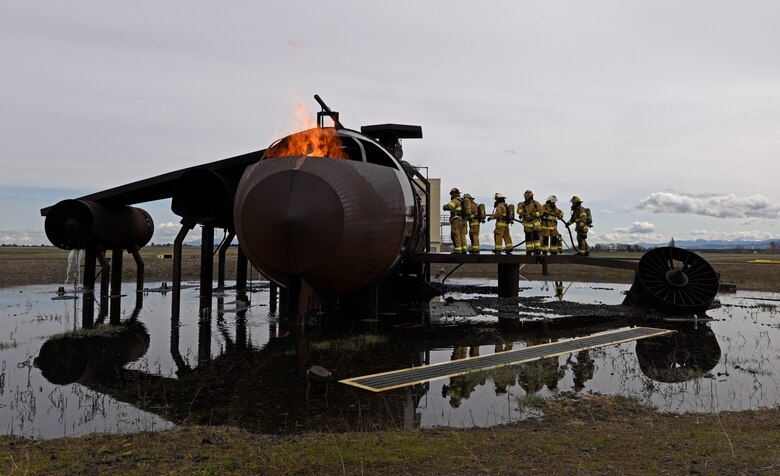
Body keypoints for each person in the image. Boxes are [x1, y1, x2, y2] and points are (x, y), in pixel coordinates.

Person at [517, 189, 543, 255]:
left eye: (528, 196)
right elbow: (518, 210)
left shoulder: (536, 203)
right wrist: (522, 212)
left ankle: (537, 249)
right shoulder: (523, 204)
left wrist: (534, 214)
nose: (527, 197)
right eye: (526, 196)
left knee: (536, 236)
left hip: (535, 223)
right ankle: (529, 250)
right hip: (527, 223)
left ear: (531, 196)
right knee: (528, 237)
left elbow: (541, 212)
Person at [443, 187, 468, 254]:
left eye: (451, 194)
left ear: (453, 194)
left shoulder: (455, 200)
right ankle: (464, 249)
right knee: (462, 235)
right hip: (464, 220)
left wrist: (444, 206)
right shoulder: (463, 201)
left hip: (457, 220)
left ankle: (458, 250)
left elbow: (450, 207)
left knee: (456, 234)